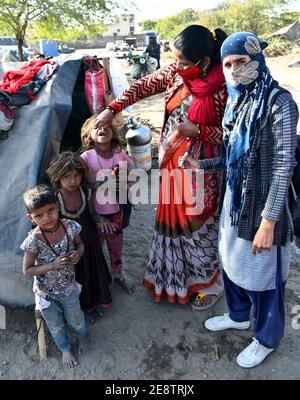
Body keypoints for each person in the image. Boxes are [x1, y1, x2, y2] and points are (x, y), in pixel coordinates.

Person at [95, 25, 228, 309]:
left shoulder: (224, 86)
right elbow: (144, 86)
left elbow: (235, 134)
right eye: (175, 59)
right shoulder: (176, 73)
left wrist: (200, 132)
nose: (176, 66)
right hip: (171, 163)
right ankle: (177, 278)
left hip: (204, 170)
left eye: (183, 61)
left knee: (198, 226)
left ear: (204, 62)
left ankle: (211, 284)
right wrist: (112, 108)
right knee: (174, 223)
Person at [202, 32, 299, 368]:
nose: (234, 70)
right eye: (227, 64)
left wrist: (269, 222)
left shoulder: (279, 102)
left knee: (266, 277)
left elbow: (284, 163)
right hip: (236, 202)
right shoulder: (237, 102)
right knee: (231, 262)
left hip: (264, 208)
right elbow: (232, 157)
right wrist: (199, 165)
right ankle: (239, 315)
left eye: (241, 62)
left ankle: (266, 338)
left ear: (256, 60)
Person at [20, 185, 89, 369]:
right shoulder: (33, 241)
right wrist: (52, 265)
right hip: (46, 294)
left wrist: (78, 254)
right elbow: (27, 270)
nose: (47, 217)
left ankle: (82, 337)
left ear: (57, 206)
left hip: (69, 288)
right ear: (31, 218)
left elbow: (81, 245)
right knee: (56, 325)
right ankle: (65, 349)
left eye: (50, 210)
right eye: (39, 215)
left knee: (76, 318)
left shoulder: (70, 227)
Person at [47, 151, 112, 317]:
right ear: (58, 177)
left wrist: (102, 220)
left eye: (76, 175)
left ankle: (99, 299)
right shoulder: (56, 199)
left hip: (90, 240)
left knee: (94, 271)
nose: (73, 180)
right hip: (70, 248)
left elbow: (91, 213)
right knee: (79, 276)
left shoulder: (85, 192)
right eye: (67, 176)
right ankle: (86, 308)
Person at [80, 115, 135, 294]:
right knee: (97, 249)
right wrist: (98, 185)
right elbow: (79, 186)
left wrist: (125, 179)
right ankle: (102, 280)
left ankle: (118, 275)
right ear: (89, 135)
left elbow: (133, 172)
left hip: (117, 212)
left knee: (116, 247)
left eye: (106, 127)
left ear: (113, 132)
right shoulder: (86, 157)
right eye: (97, 128)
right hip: (96, 214)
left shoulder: (119, 153)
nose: (102, 130)